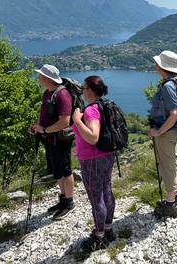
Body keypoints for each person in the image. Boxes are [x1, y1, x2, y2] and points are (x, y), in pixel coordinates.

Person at [72, 76, 116, 253]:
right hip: (107, 155)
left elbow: (92, 137)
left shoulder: (91, 110)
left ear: (90, 90)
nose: (82, 91)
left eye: (83, 88)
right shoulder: (104, 105)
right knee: (106, 190)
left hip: (92, 160)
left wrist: (76, 120)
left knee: (96, 197)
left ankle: (99, 236)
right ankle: (108, 228)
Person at [29, 64, 75, 220]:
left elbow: (65, 121)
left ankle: (69, 202)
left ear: (48, 78)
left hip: (60, 139)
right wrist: (37, 127)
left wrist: (45, 130)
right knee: (58, 170)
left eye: (41, 75)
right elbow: (44, 115)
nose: (39, 77)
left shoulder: (62, 95)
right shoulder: (48, 93)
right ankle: (63, 199)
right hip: (51, 138)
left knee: (66, 170)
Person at [148, 50, 177, 218]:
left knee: (166, 165)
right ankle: (176, 196)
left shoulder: (168, 86)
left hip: (166, 130)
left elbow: (174, 113)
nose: (155, 66)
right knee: (173, 161)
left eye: (157, 64)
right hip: (173, 130)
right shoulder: (175, 81)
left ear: (162, 67)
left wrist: (159, 132)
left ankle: (170, 205)